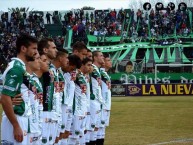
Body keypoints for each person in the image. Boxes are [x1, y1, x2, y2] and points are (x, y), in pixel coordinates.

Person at [1, 34, 38, 145]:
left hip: (21, 118)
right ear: (23, 49)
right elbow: (5, 98)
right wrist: (16, 125)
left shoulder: (20, 67)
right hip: (15, 119)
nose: (36, 52)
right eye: (34, 48)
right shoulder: (16, 68)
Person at [38, 38, 58, 145]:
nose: (56, 50)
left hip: (51, 110)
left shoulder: (51, 68)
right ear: (45, 50)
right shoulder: (40, 68)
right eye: (53, 47)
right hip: (42, 112)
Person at [61, 55, 82, 144]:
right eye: (72, 68)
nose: (73, 70)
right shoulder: (61, 73)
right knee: (59, 135)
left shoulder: (71, 75)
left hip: (69, 107)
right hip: (62, 107)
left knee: (66, 133)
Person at [89, 51, 104, 145]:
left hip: (98, 102)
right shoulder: (92, 69)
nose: (103, 57)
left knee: (96, 129)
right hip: (93, 101)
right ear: (95, 58)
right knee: (91, 129)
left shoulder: (97, 70)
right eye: (101, 56)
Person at [97, 53, 112, 145]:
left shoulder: (105, 74)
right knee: (98, 130)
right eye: (108, 60)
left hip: (106, 106)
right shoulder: (100, 73)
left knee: (102, 130)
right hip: (102, 106)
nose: (111, 62)